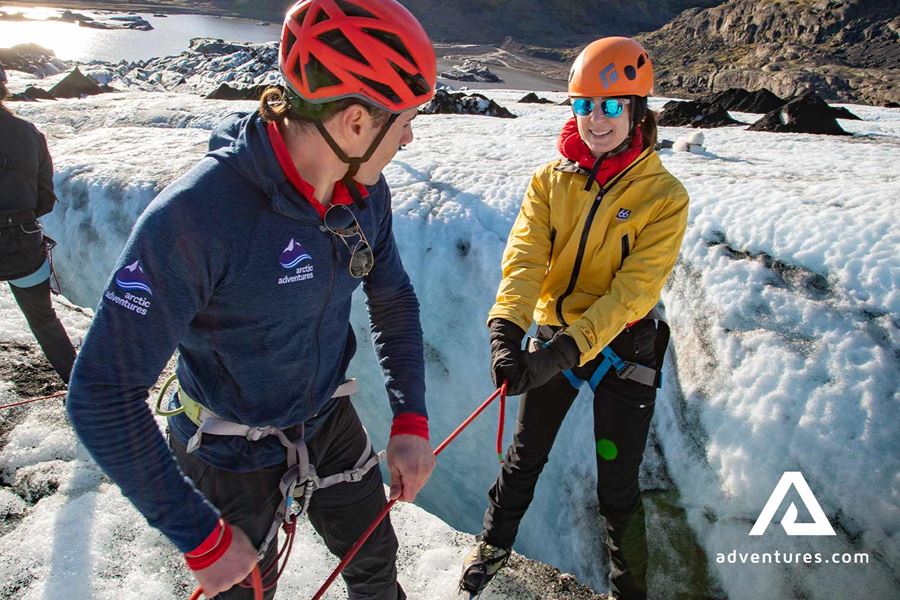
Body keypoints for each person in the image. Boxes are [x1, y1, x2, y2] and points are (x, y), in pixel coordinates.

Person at [66, 1, 437, 598]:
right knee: (243, 588)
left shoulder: (363, 194)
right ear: (356, 123)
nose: (411, 134)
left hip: (324, 415)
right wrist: (201, 538)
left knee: (375, 560)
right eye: (405, 119)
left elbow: (392, 297)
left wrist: (412, 419)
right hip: (225, 444)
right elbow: (101, 394)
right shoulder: (200, 217)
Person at [460, 37, 689, 600]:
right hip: (554, 339)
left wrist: (561, 354)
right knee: (524, 458)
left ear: (636, 110)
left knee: (617, 487)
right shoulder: (550, 182)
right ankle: (491, 549)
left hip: (622, 349)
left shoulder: (664, 196)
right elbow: (524, 262)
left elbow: (633, 294)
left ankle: (627, 590)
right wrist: (506, 334)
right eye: (584, 104)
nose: (595, 118)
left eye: (610, 105)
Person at [0, 64, 77, 384]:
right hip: (22, 238)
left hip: (19, 233)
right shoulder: (29, 133)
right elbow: (45, 198)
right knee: (44, 321)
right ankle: (78, 387)